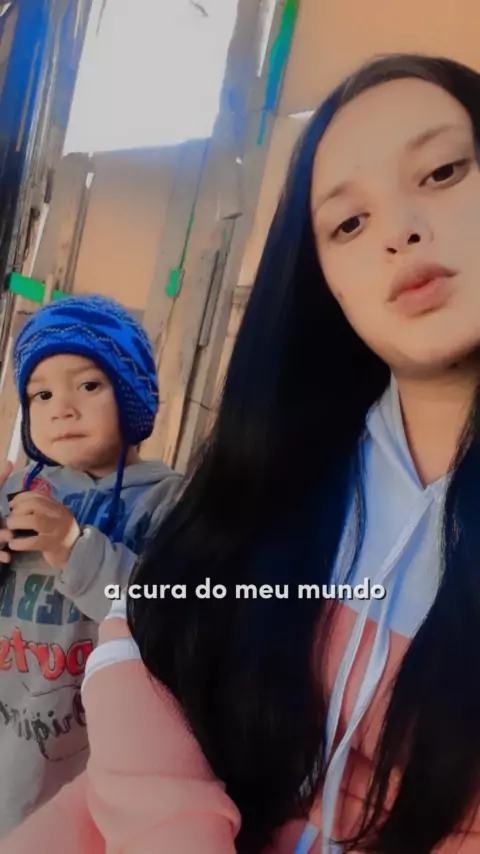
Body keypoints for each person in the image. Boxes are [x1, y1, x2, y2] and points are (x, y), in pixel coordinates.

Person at [3, 50, 480, 854]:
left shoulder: (160, 497)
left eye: (442, 172)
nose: (401, 231)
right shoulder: (269, 480)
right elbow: (157, 632)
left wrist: (76, 549)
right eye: (349, 222)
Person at [0, 294, 180, 838]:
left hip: (96, 763)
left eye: (88, 385)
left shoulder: (169, 504)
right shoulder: (16, 489)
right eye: (42, 394)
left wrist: (73, 546)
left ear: (131, 393)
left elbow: (167, 618)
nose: (62, 408)